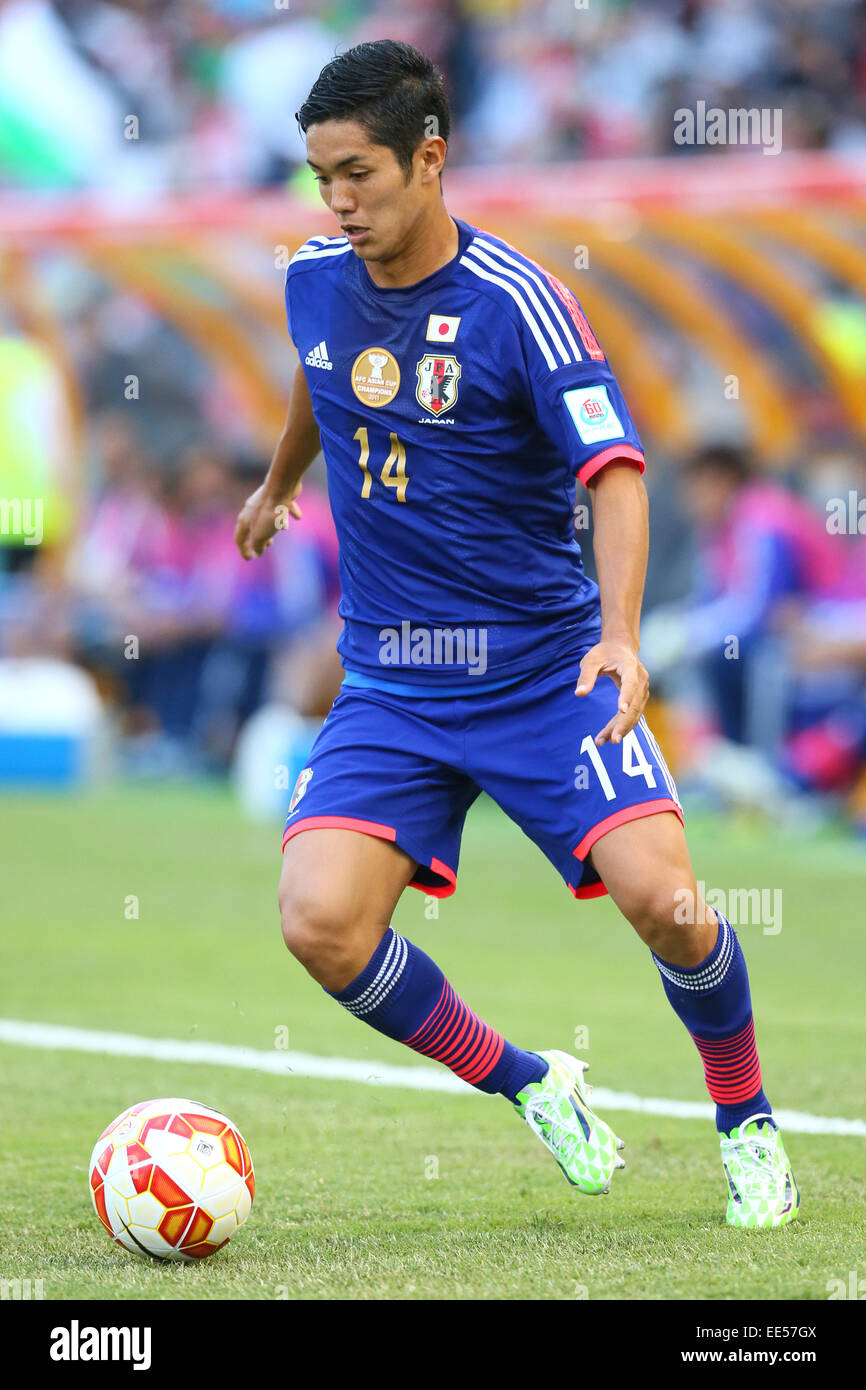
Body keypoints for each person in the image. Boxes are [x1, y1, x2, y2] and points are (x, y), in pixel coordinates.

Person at [235, 40, 798, 1228]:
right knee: (319, 924)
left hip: (544, 670)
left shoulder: (519, 303)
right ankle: (531, 1081)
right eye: (318, 178)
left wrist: (621, 637)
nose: (336, 203)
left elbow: (618, 475)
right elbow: (317, 372)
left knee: (669, 903)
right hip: (391, 679)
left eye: (357, 175)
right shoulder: (312, 276)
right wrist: (278, 482)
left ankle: (745, 1121)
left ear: (428, 159)